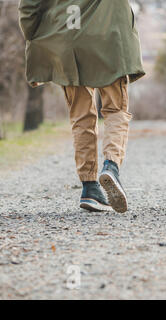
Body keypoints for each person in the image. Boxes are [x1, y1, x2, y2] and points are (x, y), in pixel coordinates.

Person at [19, 0, 145, 213]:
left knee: (81, 116)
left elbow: (29, 8)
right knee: (115, 109)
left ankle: (89, 187)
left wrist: (37, 40)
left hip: (67, 36)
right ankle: (111, 166)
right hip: (109, 36)